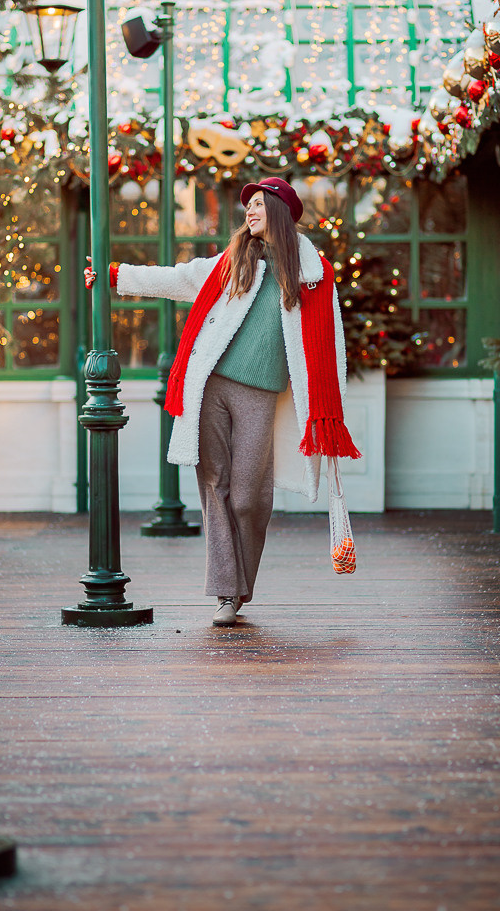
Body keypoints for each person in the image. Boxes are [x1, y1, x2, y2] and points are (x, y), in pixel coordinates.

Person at [85, 176, 360, 626]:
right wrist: (116, 275)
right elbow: (178, 278)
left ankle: (239, 586)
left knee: (250, 497)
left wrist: (327, 411)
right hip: (210, 385)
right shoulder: (234, 260)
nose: (249, 211)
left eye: (258, 204)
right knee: (214, 485)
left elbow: (331, 348)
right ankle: (225, 593)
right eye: (248, 205)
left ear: (280, 211)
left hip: (260, 394)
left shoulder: (313, 274)